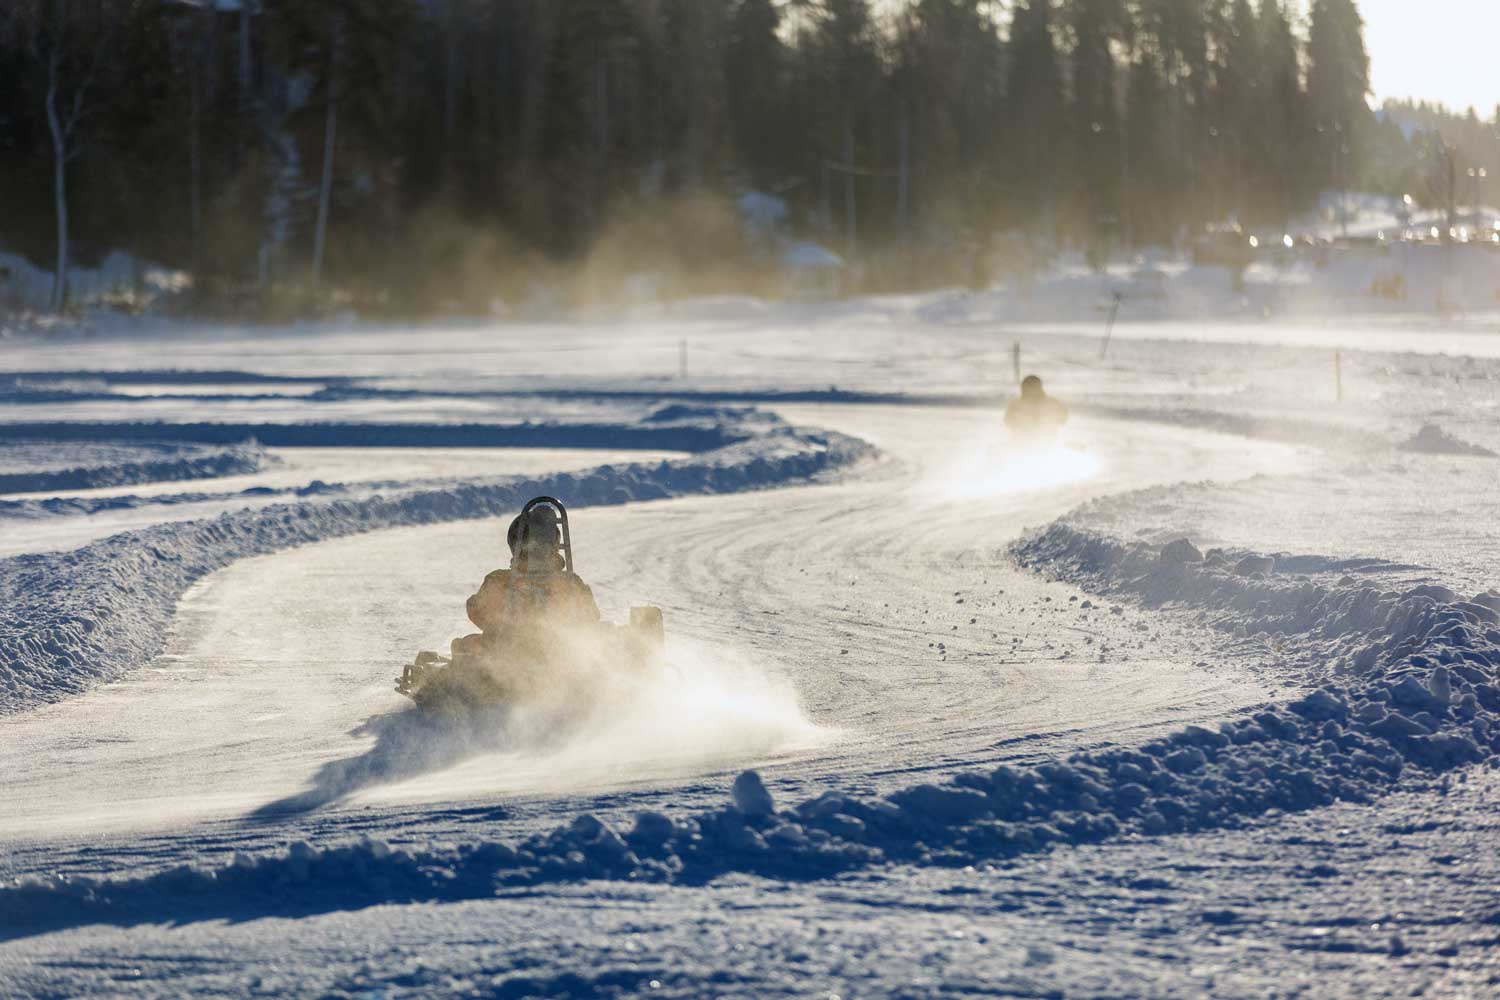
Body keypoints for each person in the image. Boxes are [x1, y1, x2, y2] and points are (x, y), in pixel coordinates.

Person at [454, 503, 600, 659]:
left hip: (508, 658)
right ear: (555, 545)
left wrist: (498, 626)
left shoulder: (498, 580)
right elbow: (591, 616)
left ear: (514, 545)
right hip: (562, 657)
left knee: (463, 645)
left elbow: (478, 611)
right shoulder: (571, 582)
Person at [1004, 375, 1069, 444]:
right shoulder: (1016, 404)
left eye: (1032, 387)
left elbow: (1008, 421)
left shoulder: (1016, 404)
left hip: (1044, 442)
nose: (1031, 391)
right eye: (1029, 387)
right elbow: (1008, 421)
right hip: (1025, 442)